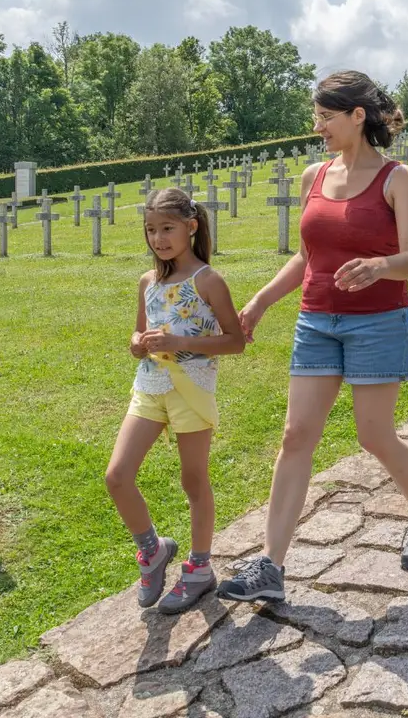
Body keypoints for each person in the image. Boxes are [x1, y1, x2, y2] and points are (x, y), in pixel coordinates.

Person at [217, 70, 408, 605]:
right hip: (316, 321)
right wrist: (261, 301)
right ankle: (270, 564)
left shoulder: (398, 179)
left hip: (379, 322)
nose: (317, 127)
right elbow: (306, 256)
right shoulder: (313, 176)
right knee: (296, 435)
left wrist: (379, 266)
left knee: (374, 434)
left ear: (357, 116)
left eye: (325, 117)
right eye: (316, 117)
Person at [104, 188, 245, 613]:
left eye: (167, 228)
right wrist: (136, 343)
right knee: (117, 476)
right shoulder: (148, 282)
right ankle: (153, 551)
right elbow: (139, 333)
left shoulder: (208, 281)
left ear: (191, 227)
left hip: (191, 389)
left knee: (193, 480)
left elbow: (235, 341)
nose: (158, 238)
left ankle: (199, 568)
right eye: (151, 230)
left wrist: (180, 342)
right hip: (149, 386)